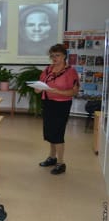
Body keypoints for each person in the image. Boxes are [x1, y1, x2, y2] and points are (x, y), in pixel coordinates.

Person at [35, 44, 79, 175]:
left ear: (64, 56)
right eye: (52, 56)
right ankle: (52, 157)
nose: (54, 58)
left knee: (58, 134)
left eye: (57, 55)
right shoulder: (48, 70)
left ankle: (61, 163)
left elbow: (74, 92)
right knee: (50, 133)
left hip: (61, 105)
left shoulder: (71, 71)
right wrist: (37, 89)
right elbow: (40, 84)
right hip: (48, 103)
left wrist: (57, 91)